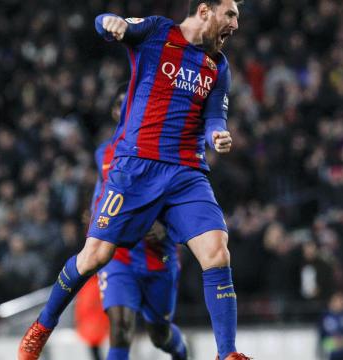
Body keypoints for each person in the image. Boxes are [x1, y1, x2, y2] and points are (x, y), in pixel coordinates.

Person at [19, 1, 248, 358]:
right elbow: (108, 25)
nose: (236, 23)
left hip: (187, 172)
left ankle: (228, 354)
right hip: (138, 168)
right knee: (94, 256)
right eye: (231, 14)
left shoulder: (218, 66)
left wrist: (217, 135)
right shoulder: (158, 32)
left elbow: (214, 117)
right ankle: (41, 326)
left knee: (217, 252)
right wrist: (110, 23)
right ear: (205, 10)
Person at [78, 88, 188, 360]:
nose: (126, 109)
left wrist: (167, 228)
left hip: (158, 255)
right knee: (121, 327)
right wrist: (96, 219)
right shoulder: (104, 153)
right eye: (120, 105)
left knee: (159, 334)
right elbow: (101, 194)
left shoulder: (169, 148)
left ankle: (181, 353)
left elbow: (185, 198)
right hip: (120, 255)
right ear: (116, 112)